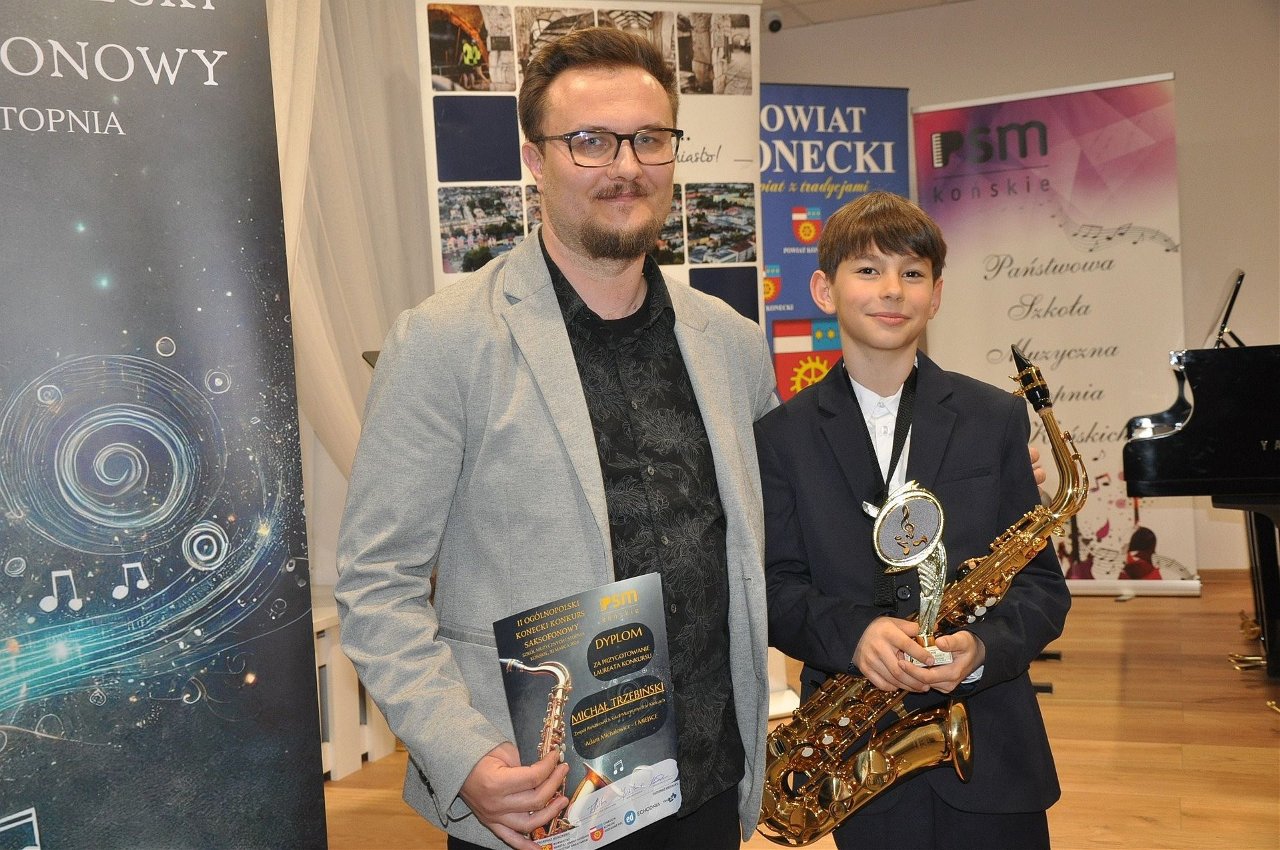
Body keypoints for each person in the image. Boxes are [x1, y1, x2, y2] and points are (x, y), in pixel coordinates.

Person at [334, 27, 777, 850]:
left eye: (649, 139)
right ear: (534, 160)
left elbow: (780, 534)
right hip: (535, 801)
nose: (626, 166)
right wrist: (463, 756)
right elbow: (376, 583)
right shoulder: (444, 341)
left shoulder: (732, 344)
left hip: (709, 784)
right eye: (591, 141)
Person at [755, 191, 1071, 850]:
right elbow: (777, 590)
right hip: (858, 755)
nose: (892, 290)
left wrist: (981, 649)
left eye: (913, 272)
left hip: (993, 747)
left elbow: (1042, 589)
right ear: (824, 289)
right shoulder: (781, 437)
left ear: (937, 294)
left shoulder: (995, 418)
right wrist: (855, 635)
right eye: (868, 270)